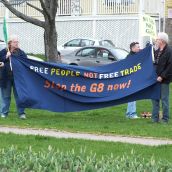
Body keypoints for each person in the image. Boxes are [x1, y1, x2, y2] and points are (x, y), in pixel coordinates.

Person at [0, 35, 27, 119]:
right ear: (10, 43)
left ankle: (21, 113)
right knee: (6, 96)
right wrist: (6, 57)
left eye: (17, 42)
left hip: (17, 78)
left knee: (19, 96)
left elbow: (25, 62)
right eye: (15, 42)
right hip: (5, 78)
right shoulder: (3, 52)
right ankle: (4, 113)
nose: (17, 43)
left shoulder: (21, 53)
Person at [152, 32, 172, 123]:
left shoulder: (169, 51)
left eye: (157, 39)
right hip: (155, 78)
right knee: (154, 98)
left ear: (162, 41)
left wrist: (162, 76)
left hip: (164, 79)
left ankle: (165, 119)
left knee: (164, 99)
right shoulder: (156, 50)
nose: (156, 40)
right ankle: (154, 118)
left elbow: (170, 66)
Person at [126, 42, 140, 119]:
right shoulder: (130, 57)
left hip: (134, 79)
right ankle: (132, 114)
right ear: (133, 48)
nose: (139, 48)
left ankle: (129, 113)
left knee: (133, 97)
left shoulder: (136, 56)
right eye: (138, 47)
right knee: (132, 97)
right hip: (131, 80)